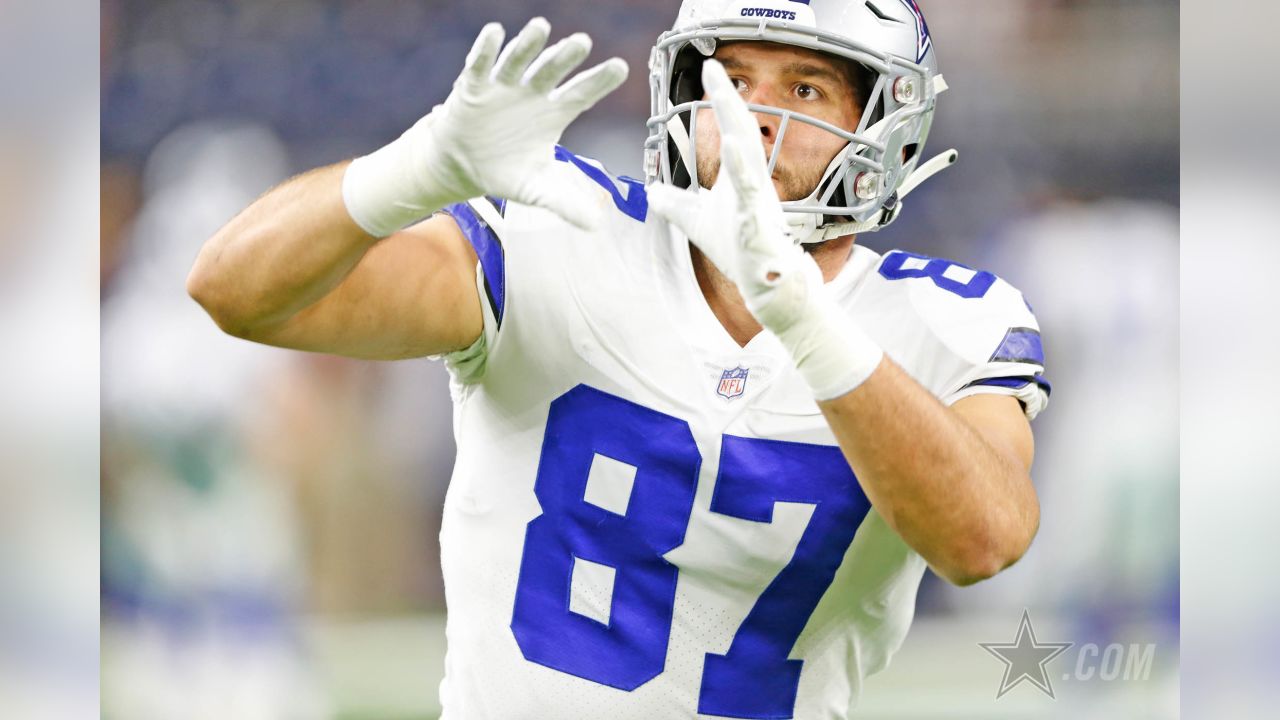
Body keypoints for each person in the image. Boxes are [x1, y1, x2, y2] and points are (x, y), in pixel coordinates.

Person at [188, 1, 1050, 717]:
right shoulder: (568, 230)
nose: (755, 117)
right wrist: (414, 169)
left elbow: (983, 537)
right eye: (731, 80)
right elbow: (236, 291)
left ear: (884, 127)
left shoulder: (944, 315)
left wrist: (800, 316)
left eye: (807, 87)